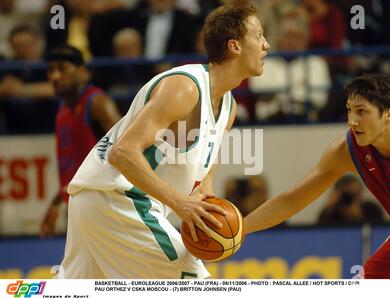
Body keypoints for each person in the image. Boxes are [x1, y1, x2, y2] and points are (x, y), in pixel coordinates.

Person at [57, 4, 269, 279]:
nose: (266, 45)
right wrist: (181, 204)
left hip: (95, 201)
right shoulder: (185, 87)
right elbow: (122, 153)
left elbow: (203, 179)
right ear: (235, 46)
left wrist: (209, 218)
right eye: (259, 36)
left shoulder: (227, 107)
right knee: (193, 284)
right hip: (117, 198)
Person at [245, 73, 390, 279]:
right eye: (349, 111)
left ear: (389, 114)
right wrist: (240, 229)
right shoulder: (346, 150)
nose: (352, 121)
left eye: (361, 112)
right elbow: (292, 200)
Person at [39, 45, 121, 238]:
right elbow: (75, 167)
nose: (54, 76)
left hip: (105, 204)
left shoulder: (98, 103)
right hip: (79, 202)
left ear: (83, 71)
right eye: (50, 70)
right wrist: (58, 200)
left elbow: (126, 150)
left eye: (62, 68)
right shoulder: (63, 108)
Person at [317, 174, 384, 225]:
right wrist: (330, 208)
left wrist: (359, 216)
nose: (349, 198)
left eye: (354, 194)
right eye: (346, 195)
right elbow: (322, 233)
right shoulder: (331, 212)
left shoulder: (372, 209)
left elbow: (378, 232)